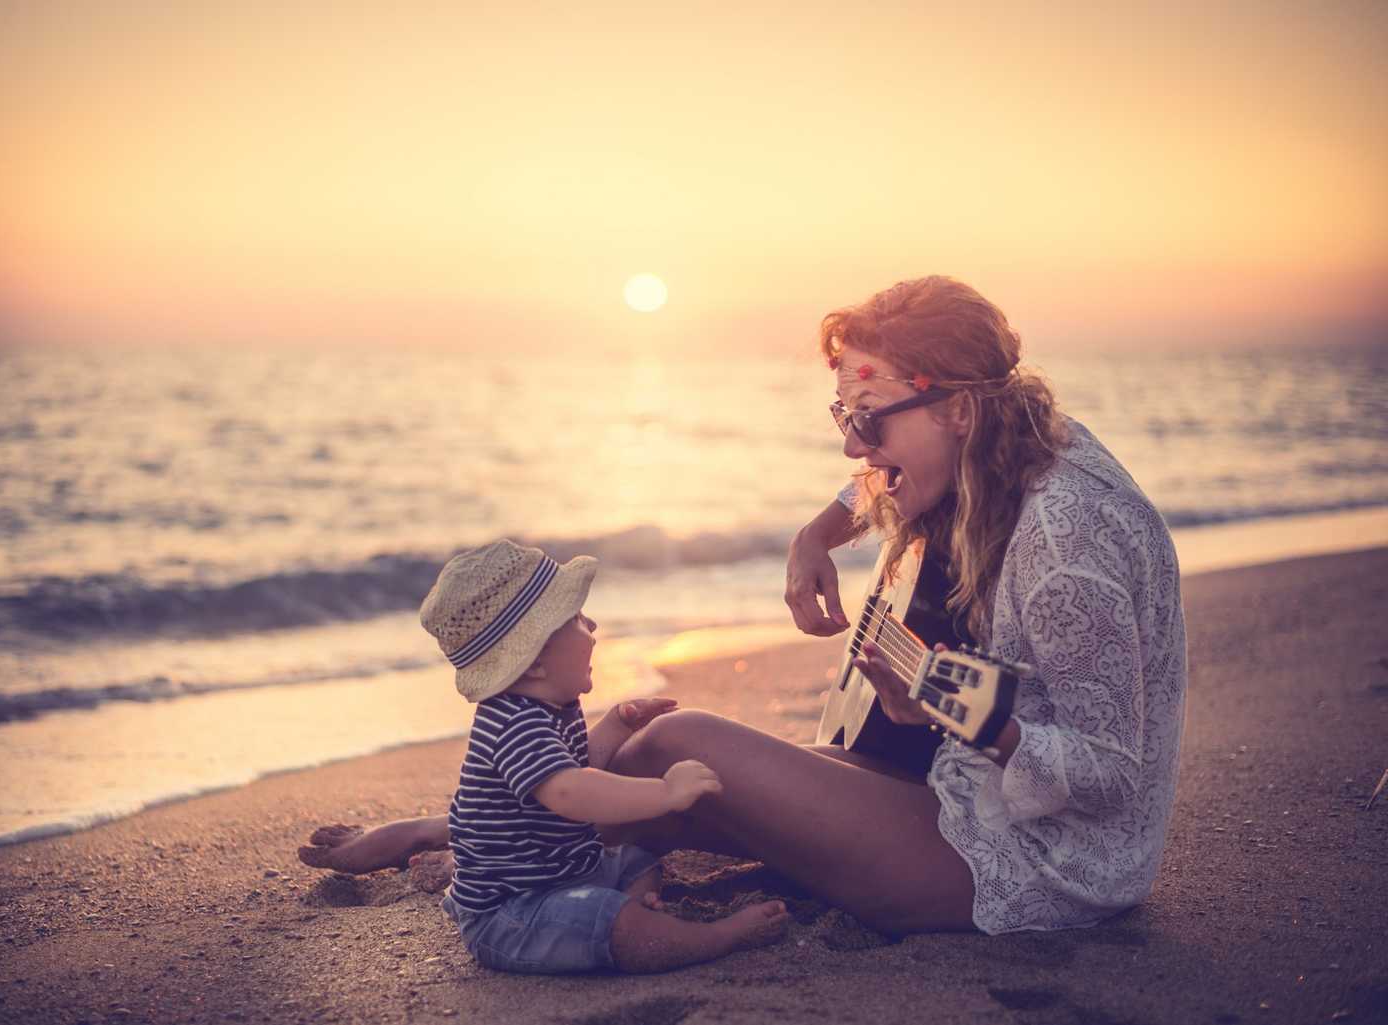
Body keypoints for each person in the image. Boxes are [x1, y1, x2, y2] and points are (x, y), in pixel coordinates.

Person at [301, 276, 1187, 936]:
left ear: (958, 407)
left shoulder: (1067, 539)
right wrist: (815, 536)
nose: (851, 440)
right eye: (842, 409)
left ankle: (478, 838)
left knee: (680, 746)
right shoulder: (999, 437)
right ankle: (471, 831)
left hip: (1044, 862)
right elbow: (873, 482)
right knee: (659, 763)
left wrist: (957, 705)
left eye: (869, 416)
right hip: (967, 788)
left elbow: (1112, 772)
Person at [348, 538, 789, 974]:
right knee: (615, 926)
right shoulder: (512, 723)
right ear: (536, 660)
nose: (593, 625)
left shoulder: (553, 706)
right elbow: (571, 792)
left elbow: (579, 766)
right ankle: (713, 938)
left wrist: (617, 723)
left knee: (638, 863)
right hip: (513, 911)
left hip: (564, 874)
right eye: (576, 618)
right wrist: (666, 792)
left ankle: (626, 910)